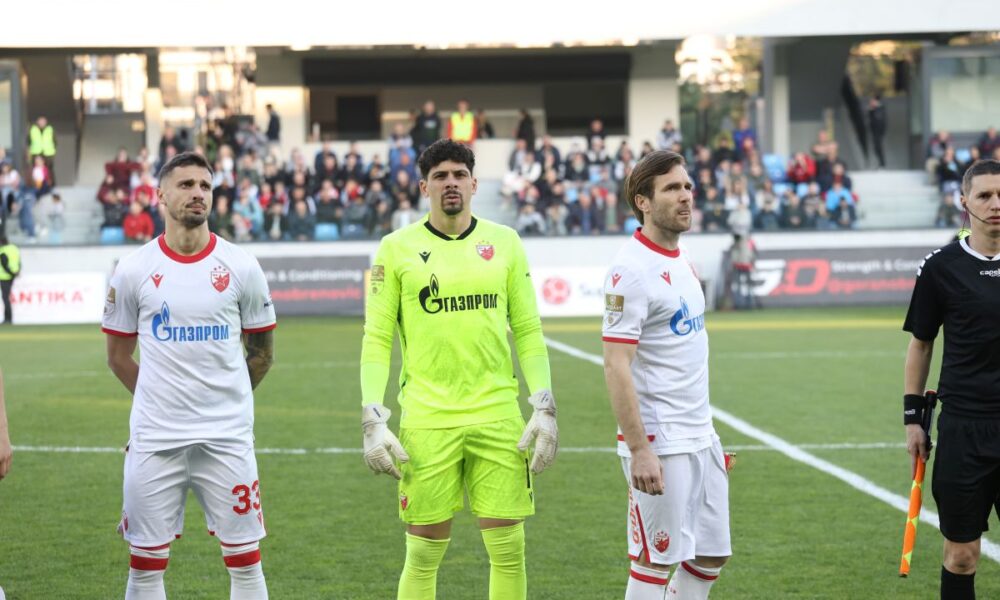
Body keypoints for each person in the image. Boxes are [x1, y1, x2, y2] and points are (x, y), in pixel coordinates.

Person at [360, 139, 557, 600]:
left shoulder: (505, 242)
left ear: (473, 183)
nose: (451, 183)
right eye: (441, 176)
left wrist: (544, 403)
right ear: (424, 186)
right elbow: (377, 338)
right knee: (423, 554)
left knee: (509, 549)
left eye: (459, 174)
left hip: (498, 416)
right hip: (427, 419)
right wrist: (372, 413)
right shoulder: (394, 249)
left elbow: (527, 328)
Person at [102, 151, 276, 600]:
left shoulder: (242, 266)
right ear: (160, 195)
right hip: (155, 440)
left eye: (205, 185)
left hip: (227, 437)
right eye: (186, 184)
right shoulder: (134, 270)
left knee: (246, 563)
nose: (198, 193)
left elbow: (261, 355)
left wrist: (222, 399)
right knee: (144, 567)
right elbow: (118, 357)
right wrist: (160, 401)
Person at [602, 150, 731, 600]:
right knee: (656, 560)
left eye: (688, 186)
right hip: (661, 440)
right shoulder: (630, 270)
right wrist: (639, 449)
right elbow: (615, 364)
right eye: (672, 189)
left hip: (700, 434)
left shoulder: (682, 259)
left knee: (710, 555)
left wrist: (706, 436)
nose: (686, 197)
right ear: (642, 201)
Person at [903, 158, 1000, 600]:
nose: (995, 204)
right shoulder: (940, 267)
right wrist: (913, 420)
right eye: (984, 195)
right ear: (964, 202)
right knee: (961, 555)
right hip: (964, 427)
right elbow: (921, 344)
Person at [0, 233, 19, 325]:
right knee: (6, 297)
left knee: (5, 298)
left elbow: (4, 265)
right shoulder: (14, 248)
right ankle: (8, 318)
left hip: (4, 277)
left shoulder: (3, 250)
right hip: (12, 276)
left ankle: (8, 318)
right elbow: (18, 261)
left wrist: (11, 273)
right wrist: (16, 272)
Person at [868, 94, 888, 169]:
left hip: (878, 132)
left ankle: (882, 164)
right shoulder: (873, 110)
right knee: (876, 148)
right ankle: (881, 163)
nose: (871, 102)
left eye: (872, 101)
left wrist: (873, 109)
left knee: (878, 147)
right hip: (874, 132)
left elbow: (879, 120)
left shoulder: (880, 108)